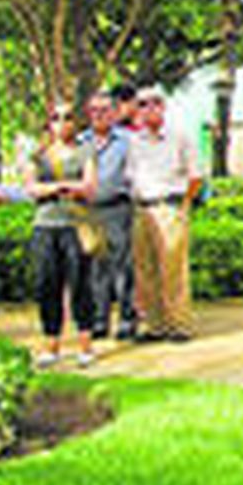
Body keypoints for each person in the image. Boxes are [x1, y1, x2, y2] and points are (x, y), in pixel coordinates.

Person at [24, 105, 98, 367]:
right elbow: (31, 188)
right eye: (56, 118)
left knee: (80, 284)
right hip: (45, 226)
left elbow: (89, 188)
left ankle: (86, 344)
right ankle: (51, 344)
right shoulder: (39, 154)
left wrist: (59, 189)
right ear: (48, 123)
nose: (62, 123)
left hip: (75, 225)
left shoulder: (85, 151)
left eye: (68, 117)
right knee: (47, 286)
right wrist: (61, 187)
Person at [127, 88, 202, 342]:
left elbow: (195, 176)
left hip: (169, 207)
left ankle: (178, 324)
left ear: (163, 107)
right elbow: (131, 175)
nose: (149, 109)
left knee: (173, 268)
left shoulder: (180, 137)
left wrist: (182, 204)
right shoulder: (134, 142)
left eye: (155, 103)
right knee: (145, 270)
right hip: (142, 209)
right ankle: (153, 325)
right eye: (143, 104)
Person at [81, 91, 137, 340]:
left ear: (115, 113)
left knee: (122, 267)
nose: (99, 115)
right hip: (88, 211)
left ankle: (126, 320)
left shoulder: (128, 141)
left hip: (118, 208)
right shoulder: (81, 142)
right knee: (95, 268)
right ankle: (99, 320)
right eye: (94, 110)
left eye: (104, 110)